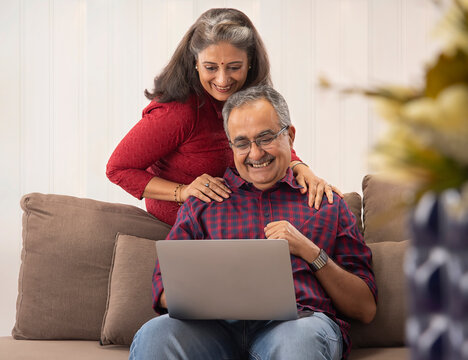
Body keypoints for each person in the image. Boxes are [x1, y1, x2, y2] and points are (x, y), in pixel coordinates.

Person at [130, 86, 377, 360]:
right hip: (212, 332)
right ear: (231, 146)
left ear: (290, 136)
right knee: (155, 334)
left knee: (299, 341)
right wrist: (208, 291)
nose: (256, 153)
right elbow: (163, 290)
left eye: (266, 138)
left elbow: (364, 309)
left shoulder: (326, 203)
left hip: (298, 326)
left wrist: (310, 251)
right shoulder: (203, 203)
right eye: (242, 143)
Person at [106, 8, 342, 226]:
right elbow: (118, 169)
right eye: (211, 68)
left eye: (233, 67)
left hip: (237, 214)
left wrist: (302, 168)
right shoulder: (178, 112)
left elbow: (267, 139)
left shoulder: (249, 99)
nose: (222, 80)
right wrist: (183, 191)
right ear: (195, 63)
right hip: (188, 227)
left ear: (250, 63)